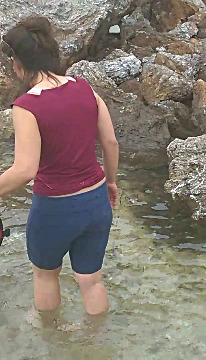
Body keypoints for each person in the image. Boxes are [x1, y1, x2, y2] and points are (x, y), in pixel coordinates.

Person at [0, 17, 119, 315]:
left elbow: (25, 170)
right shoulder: (85, 88)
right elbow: (111, 143)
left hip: (56, 208)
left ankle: (52, 340)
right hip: (96, 201)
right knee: (91, 280)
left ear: (18, 63)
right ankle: (96, 342)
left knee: (45, 275)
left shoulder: (26, 106)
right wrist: (111, 183)